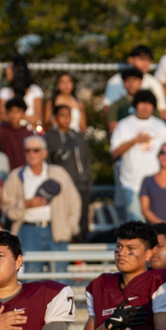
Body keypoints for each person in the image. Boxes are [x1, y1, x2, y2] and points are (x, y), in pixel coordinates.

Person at [1, 134, 82, 261]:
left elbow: (75, 202)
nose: (32, 154)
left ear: (44, 153)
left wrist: (69, 228)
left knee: (59, 276)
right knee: (32, 277)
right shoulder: (15, 176)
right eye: (27, 150)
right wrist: (25, 204)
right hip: (27, 230)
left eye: (36, 150)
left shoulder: (59, 173)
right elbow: (6, 207)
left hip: (56, 230)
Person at [110, 90, 166, 223]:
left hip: (158, 185)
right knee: (136, 227)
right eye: (142, 103)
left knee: (158, 227)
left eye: (149, 104)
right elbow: (114, 153)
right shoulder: (124, 125)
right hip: (132, 185)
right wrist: (134, 141)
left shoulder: (160, 125)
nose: (145, 107)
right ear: (135, 105)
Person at [47, 102, 92, 238]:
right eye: (62, 115)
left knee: (82, 222)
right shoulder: (50, 137)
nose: (66, 119)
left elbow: (86, 159)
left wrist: (88, 179)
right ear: (55, 117)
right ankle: (66, 256)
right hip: (63, 187)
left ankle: (80, 257)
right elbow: (51, 161)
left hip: (82, 185)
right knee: (65, 220)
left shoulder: (78, 136)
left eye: (68, 115)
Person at [0, 56, 45, 129]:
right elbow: (1, 116)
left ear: (17, 70)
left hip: (30, 131)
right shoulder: (5, 92)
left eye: (9, 67)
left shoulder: (35, 90)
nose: (6, 70)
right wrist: (24, 116)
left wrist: (14, 116)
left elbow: (38, 118)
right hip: (11, 131)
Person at [0, 98, 33, 168]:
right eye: (11, 111)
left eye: (17, 111)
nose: (14, 115)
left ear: (23, 113)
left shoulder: (29, 134)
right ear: (7, 113)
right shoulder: (0, 132)